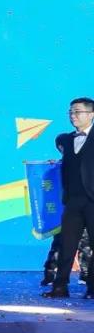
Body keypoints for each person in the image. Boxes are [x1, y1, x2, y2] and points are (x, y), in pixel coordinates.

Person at [45, 97, 94, 299]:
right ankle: (60, 287)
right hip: (73, 200)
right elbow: (62, 145)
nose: (73, 116)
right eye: (71, 112)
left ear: (91, 114)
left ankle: (92, 287)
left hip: (92, 200)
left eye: (78, 112)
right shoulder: (67, 139)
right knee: (67, 244)